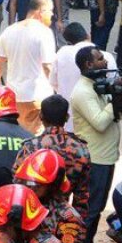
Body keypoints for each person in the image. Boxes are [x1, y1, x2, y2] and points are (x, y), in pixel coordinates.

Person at [71, 45, 122, 243]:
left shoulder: (97, 85)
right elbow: (100, 123)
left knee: (97, 207)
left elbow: (118, 115)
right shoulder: (83, 92)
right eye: (100, 59)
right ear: (88, 64)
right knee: (91, 209)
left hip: (106, 156)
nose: (105, 62)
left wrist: (120, 98)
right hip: (95, 159)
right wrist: (113, 98)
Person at [15, 95, 92, 224]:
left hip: (32, 217)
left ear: (41, 116)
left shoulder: (30, 147)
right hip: (64, 218)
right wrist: (75, 225)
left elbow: (17, 184)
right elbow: (82, 197)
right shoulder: (81, 149)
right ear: (66, 117)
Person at [0, 0, 58, 133]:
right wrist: (57, 89)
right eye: (50, 11)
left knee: (17, 135)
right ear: (41, 11)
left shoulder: (8, 31)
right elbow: (48, 66)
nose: (52, 15)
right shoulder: (44, 33)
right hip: (37, 96)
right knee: (35, 138)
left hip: (13, 97)